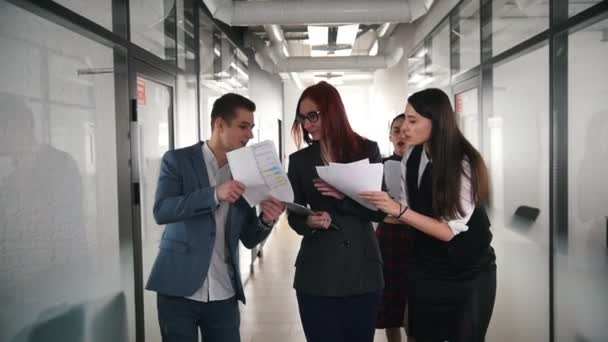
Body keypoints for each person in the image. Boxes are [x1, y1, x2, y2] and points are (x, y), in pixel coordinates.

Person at [146, 93, 285, 342]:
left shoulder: (246, 171)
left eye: (251, 127)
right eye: (243, 126)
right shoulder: (177, 160)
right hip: (178, 289)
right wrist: (213, 194)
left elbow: (249, 238)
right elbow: (162, 210)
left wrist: (266, 219)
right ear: (219, 124)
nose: (250, 135)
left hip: (223, 292)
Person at [360, 88, 497, 342]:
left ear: (438, 122)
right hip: (426, 269)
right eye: (405, 121)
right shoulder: (411, 156)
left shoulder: (465, 163)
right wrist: (366, 203)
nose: (404, 129)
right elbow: (408, 212)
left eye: (413, 121)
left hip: (470, 273)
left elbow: (447, 231)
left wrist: (397, 209)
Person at [287, 81, 386, 342]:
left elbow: (380, 211)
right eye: (302, 118)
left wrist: (345, 199)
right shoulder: (299, 161)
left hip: (362, 271)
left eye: (312, 116)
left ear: (332, 111)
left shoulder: (366, 150)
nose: (307, 124)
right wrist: (308, 220)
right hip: (316, 273)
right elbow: (293, 214)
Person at [375, 113, 412, 342]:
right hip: (387, 238)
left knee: (413, 302)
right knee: (390, 301)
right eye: (395, 130)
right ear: (390, 136)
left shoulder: (424, 166)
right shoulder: (379, 167)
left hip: (415, 239)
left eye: (404, 130)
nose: (401, 135)